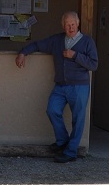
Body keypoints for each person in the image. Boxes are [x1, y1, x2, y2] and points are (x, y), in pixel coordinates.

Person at [15, 12, 98, 163]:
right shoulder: (57, 40)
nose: (70, 27)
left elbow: (94, 64)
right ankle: (63, 142)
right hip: (60, 85)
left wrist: (75, 55)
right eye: (67, 24)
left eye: (73, 24)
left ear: (78, 24)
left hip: (79, 86)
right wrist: (23, 53)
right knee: (52, 110)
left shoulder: (87, 41)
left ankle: (71, 152)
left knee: (78, 119)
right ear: (63, 26)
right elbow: (38, 44)